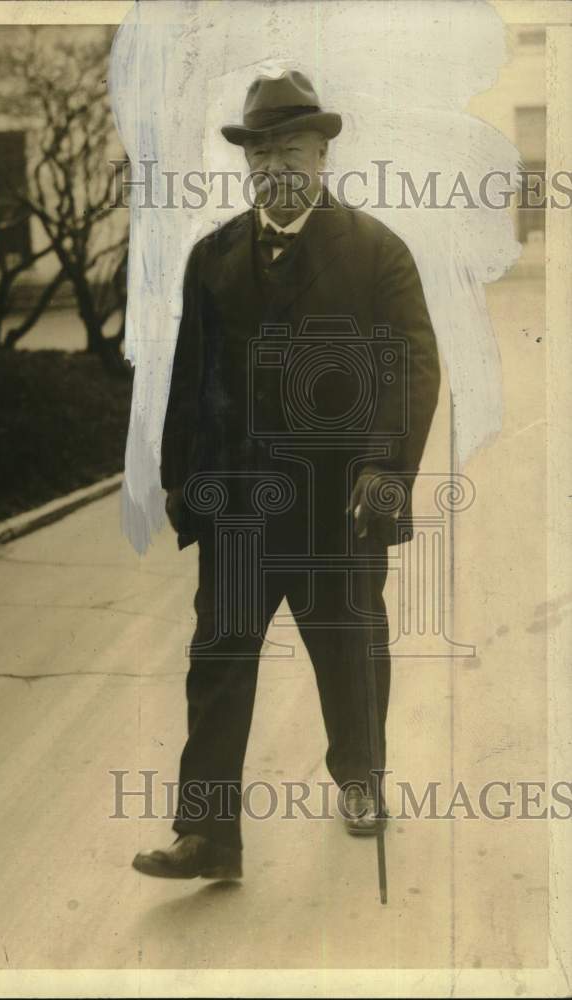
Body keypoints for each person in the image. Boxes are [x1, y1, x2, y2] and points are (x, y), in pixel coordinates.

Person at [132, 70, 441, 880]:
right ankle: (209, 836)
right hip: (237, 504)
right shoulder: (213, 257)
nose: (278, 166)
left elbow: (410, 364)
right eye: (262, 151)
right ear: (247, 161)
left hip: (335, 506)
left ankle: (361, 781)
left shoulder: (376, 252)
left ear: (323, 153)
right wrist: (180, 480)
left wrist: (385, 468)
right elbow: (189, 378)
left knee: (347, 646)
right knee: (218, 659)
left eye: (293, 149)